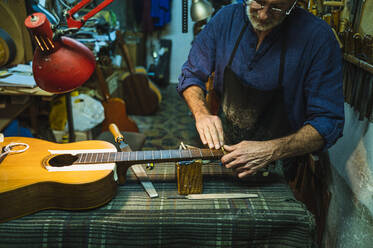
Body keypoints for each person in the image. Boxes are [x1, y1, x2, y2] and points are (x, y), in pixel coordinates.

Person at [177, 0, 344, 179]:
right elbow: (191, 74)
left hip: (281, 169)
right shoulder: (226, 19)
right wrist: (202, 114)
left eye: (277, 7)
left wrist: (273, 150)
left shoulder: (318, 38)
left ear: (294, 3)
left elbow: (328, 121)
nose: (263, 14)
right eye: (259, 2)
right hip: (223, 154)